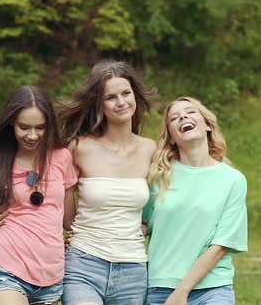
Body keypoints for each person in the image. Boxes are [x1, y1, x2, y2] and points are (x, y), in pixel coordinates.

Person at [57, 60, 156, 305]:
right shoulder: (79, 147)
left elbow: (163, 205)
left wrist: (145, 227)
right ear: (98, 104)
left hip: (133, 269)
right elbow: (62, 213)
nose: (121, 102)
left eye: (126, 93)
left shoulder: (150, 149)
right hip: (84, 263)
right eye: (111, 97)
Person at [0, 85, 77, 305]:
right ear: (11, 123)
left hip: (51, 277)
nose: (32, 135)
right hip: (6, 268)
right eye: (24, 127)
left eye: (40, 127)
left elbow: (69, 221)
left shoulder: (62, 157)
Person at [145, 97, 248, 305]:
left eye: (191, 112)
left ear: (208, 125)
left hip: (213, 288)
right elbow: (139, 224)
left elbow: (222, 244)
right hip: (160, 287)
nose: (183, 116)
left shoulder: (232, 180)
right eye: (174, 118)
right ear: (171, 137)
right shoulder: (157, 177)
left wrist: (182, 290)